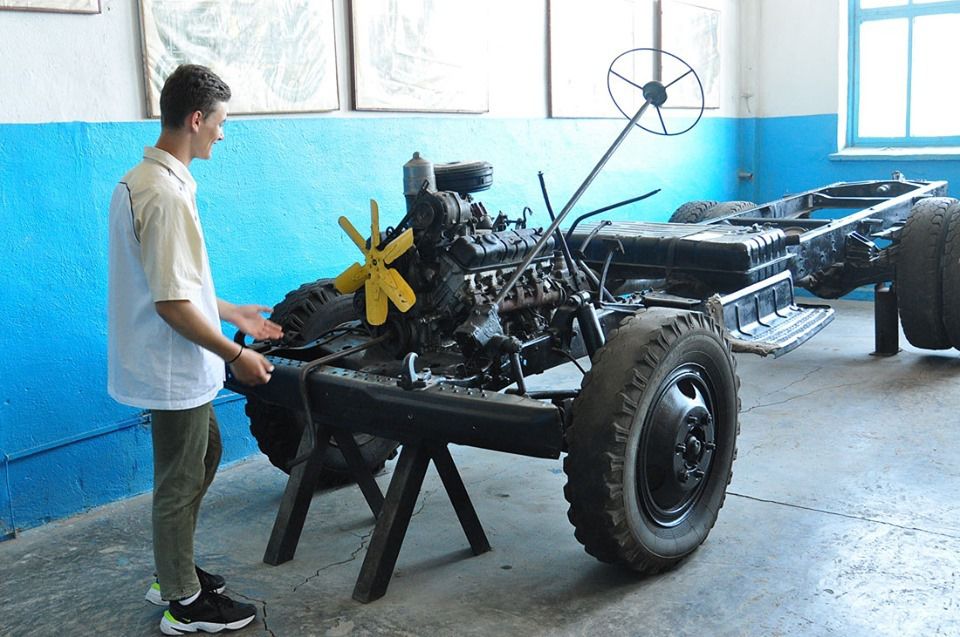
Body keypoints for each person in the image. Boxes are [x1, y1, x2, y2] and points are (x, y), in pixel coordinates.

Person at [107, 64, 282, 635]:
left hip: (173, 357)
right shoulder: (163, 194)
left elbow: (179, 285)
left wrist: (232, 313)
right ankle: (182, 600)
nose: (222, 135)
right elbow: (172, 306)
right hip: (171, 362)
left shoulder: (145, 180)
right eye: (220, 123)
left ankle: (173, 568)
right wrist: (237, 355)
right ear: (197, 119)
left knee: (204, 455)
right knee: (180, 479)